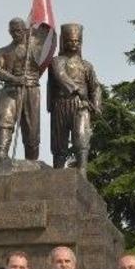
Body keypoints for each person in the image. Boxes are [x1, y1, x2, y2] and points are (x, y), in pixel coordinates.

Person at [47, 23, 102, 177]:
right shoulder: (57, 61)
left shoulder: (86, 66)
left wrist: (97, 105)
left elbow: (95, 87)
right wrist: (77, 89)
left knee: (81, 140)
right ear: (64, 41)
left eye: (77, 41)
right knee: (59, 144)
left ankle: (82, 173)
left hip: (81, 106)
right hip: (61, 104)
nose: (74, 44)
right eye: (70, 41)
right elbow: (60, 76)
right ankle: (57, 175)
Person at [0, 17, 42, 161]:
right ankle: (2, 152)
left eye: (19, 30)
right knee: (5, 120)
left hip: (31, 89)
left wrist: (33, 42)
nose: (16, 34)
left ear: (25, 30)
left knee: (32, 129)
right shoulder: (3, 51)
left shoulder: (35, 47)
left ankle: (32, 161)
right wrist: (14, 79)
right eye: (13, 31)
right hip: (10, 89)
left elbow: (45, 54)